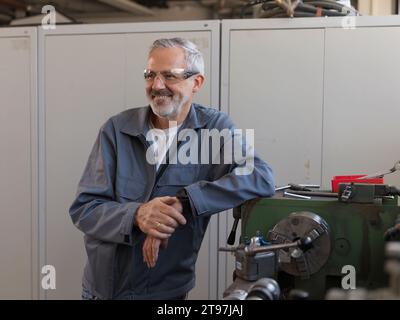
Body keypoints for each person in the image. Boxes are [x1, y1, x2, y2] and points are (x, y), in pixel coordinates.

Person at [69, 37, 275, 300]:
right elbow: (84, 209)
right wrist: (138, 215)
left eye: (169, 76)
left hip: (165, 292)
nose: (157, 85)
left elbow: (260, 176)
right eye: (150, 75)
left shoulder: (214, 129)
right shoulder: (117, 130)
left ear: (196, 82)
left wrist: (185, 201)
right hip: (104, 290)